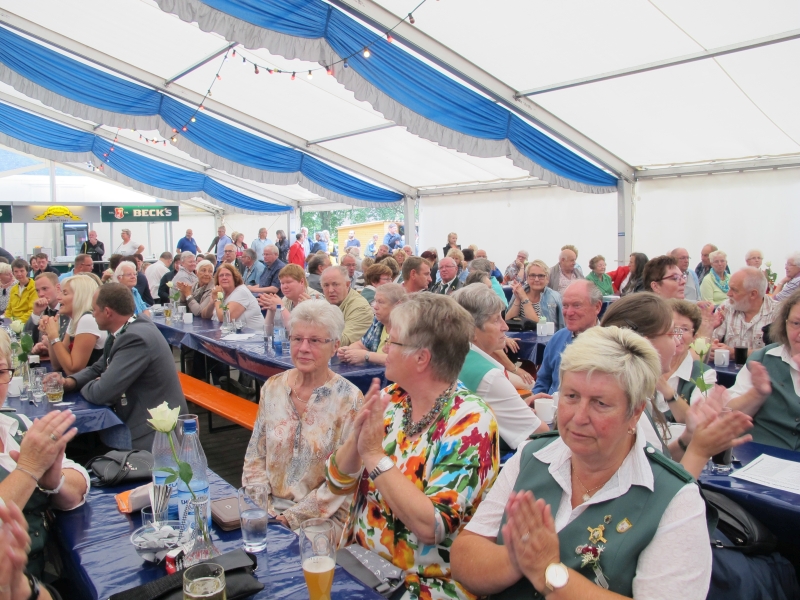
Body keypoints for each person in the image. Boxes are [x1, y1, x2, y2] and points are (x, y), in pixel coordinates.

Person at [450, 326, 713, 600]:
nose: (579, 417)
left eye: (600, 403)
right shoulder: (533, 455)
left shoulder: (675, 498)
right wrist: (517, 559)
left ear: (635, 413)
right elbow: (464, 559)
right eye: (571, 396)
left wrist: (549, 572)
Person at [326, 294, 499, 600]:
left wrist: (374, 456)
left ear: (421, 358)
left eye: (392, 342)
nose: (384, 349)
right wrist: (357, 439)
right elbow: (336, 482)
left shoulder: (471, 421)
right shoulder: (393, 399)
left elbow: (433, 526)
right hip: (361, 566)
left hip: (424, 586)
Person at [600, 293, 753, 478]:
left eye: (683, 332)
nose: (677, 341)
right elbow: (662, 487)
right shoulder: (624, 404)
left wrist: (688, 438)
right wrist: (700, 450)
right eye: (672, 333)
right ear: (646, 343)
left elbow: (658, 461)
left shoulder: (617, 387)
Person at [242, 300, 363, 531]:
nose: (304, 348)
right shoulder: (273, 387)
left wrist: (290, 518)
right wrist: (261, 507)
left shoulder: (349, 399)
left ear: (335, 346)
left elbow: (345, 478)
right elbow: (255, 455)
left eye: (315, 341)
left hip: (324, 517)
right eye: (297, 339)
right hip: (268, 508)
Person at [50, 283, 188, 450]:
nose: (92, 314)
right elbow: (98, 368)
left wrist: (97, 383)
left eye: (94, 310)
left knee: (77, 446)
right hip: (144, 422)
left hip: (154, 434)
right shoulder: (129, 327)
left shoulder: (135, 338)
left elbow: (102, 393)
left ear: (108, 312)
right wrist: (69, 382)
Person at [0, 332, 89, 580]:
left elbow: (79, 484)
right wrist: (29, 469)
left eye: (0, 372)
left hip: (38, 579)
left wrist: (54, 482)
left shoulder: (15, 424)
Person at [453, 283, 548, 449]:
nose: (506, 326)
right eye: (496, 320)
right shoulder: (489, 376)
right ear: (471, 330)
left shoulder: (451, 355)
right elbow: (538, 433)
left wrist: (516, 408)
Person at [727, 290, 800, 449]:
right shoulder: (764, 358)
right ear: (785, 324)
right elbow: (728, 417)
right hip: (759, 453)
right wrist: (757, 394)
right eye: (796, 323)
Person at [532, 280, 603, 397]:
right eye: (565, 305)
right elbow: (543, 380)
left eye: (577, 305)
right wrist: (537, 399)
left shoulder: (608, 345)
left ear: (597, 307)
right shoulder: (557, 338)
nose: (569, 312)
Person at [655, 300, 710, 424]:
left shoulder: (704, 374)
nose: (677, 334)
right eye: (672, 328)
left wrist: (666, 390)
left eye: (684, 329)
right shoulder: (645, 364)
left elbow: (697, 423)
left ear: (694, 337)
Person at [43, 275, 106, 374]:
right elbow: (57, 365)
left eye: (65, 293)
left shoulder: (88, 320)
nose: (58, 297)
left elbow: (73, 370)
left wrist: (54, 336)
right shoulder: (75, 319)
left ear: (80, 296)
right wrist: (50, 333)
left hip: (92, 382)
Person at [711, 268, 777, 360]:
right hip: (726, 368)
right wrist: (712, 347)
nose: (728, 294)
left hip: (761, 368)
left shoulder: (778, 313)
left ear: (753, 294)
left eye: (734, 290)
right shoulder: (727, 307)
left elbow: (777, 352)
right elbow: (712, 340)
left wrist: (736, 353)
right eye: (729, 288)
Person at [338, 283, 406, 366]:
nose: (375, 307)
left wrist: (366, 356)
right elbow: (361, 345)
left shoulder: (408, 327)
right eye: (375, 301)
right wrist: (347, 352)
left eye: (381, 302)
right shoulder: (378, 322)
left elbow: (401, 360)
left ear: (398, 305)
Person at [320, 266, 373, 346]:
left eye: (335, 284)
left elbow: (343, 342)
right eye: (326, 285)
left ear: (347, 284)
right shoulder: (325, 303)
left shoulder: (360, 308)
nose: (330, 290)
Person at [505, 260, 564, 330]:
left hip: (544, 336)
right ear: (527, 278)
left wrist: (524, 298)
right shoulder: (520, 292)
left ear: (547, 279)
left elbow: (541, 327)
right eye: (532, 275)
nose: (536, 279)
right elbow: (507, 322)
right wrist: (518, 299)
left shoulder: (554, 297)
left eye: (541, 276)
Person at [257, 264, 323, 324]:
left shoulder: (315, 299)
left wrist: (281, 308)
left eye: (288, 282)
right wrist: (270, 308)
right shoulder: (286, 299)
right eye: (282, 283)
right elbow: (269, 330)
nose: (284, 287)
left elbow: (296, 329)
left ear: (301, 282)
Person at [211, 263, 265, 330]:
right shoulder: (221, 292)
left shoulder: (241, 291)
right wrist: (211, 302)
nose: (224, 277)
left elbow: (225, 318)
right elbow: (205, 315)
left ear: (234, 278)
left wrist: (217, 299)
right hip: (232, 334)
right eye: (221, 275)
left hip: (254, 334)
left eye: (228, 275)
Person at [24, 273, 64, 347]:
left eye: (44, 289)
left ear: (58, 288)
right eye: (37, 290)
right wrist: (36, 313)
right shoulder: (41, 309)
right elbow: (26, 340)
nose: (40, 294)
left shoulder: (67, 309)